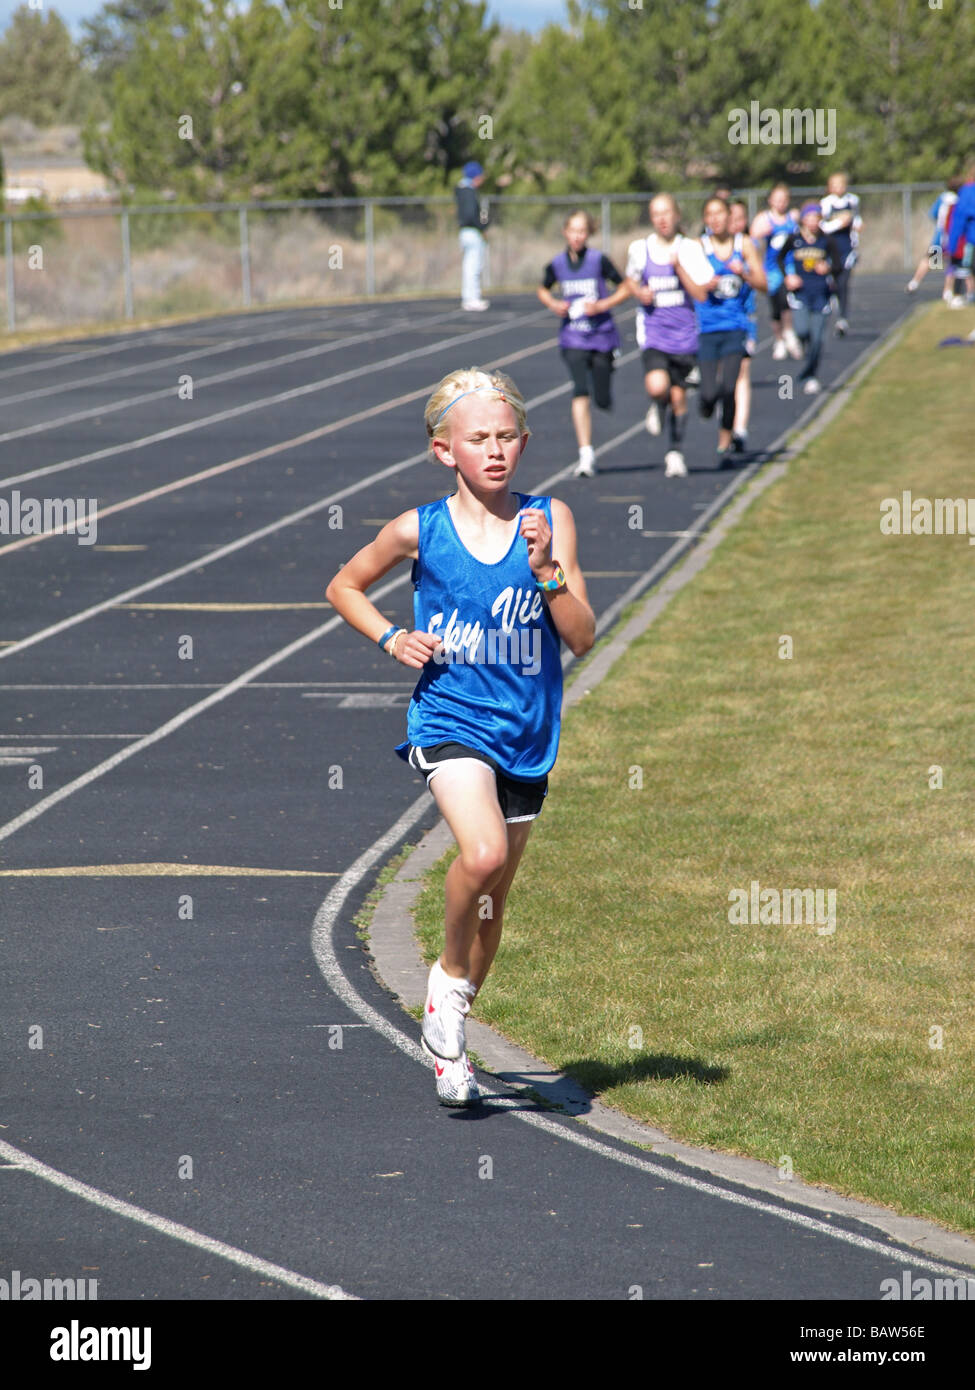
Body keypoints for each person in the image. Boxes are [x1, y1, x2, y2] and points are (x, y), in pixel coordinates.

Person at [325, 368, 595, 1106]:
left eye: (507, 436)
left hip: (527, 730)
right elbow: (344, 585)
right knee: (480, 853)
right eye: (479, 438)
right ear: (445, 450)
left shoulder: (550, 519)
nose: (496, 450)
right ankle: (444, 990)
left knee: (492, 899)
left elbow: (582, 638)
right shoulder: (421, 529)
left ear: (525, 441)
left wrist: (544, 573)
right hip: (450, 720)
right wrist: (390, 638)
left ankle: (452, 1046)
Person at [623, 193, 712, 477]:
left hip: (685, 337)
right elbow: (630, 281)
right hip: (654, 334)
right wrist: (640, 292)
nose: (662, 219)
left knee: (679, 397)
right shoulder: (640, 249)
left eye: (666, 213)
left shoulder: (691, 249)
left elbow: (701, 293)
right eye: (656, 214)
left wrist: (678, 269)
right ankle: (657, 404)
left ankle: (675, 452)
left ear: (677, 215)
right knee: (658, 387)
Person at [537, 210, 629, 478]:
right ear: (565, 232)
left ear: (588, 234)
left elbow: (624, 287)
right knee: (580, 390)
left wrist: (602, 304)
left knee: (601, 399)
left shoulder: (598, 261)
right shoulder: (557, 264)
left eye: (582, 231)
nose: (577, 236)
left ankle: (606, 382)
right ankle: (586, 454)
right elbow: (543, 288)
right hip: (573, 337)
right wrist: (554, 304)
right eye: (572, 231)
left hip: (601, 335)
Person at [694, 196, 767, 466]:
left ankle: (724, 445)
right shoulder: (698, 247)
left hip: (736, 328)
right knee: (709, 392)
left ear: (729, 216)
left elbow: (763, 283)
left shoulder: (743, 244)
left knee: (729, 387)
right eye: (709, 214)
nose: (714, 219)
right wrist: (704, 284)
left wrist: (744, 272)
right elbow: (688, 284)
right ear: (705, 220)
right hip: (706, 329)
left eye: (719, 214)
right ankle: (705, 404)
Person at [776, 202, 844, 395]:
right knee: (802, 330)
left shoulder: (827, 240)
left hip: (821, 295)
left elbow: (839, 266)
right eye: (809, 217)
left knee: (817, 339)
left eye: (817, 217)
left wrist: (829, 268)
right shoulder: (794, 239)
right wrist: (788, 276)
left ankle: (811, 375)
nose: (813, 221)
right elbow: (780, 258)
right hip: (800, 294)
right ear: (803, 219)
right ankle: (807, 366)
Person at [750, 182, 802, 361]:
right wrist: (761, 234)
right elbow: (752, 239)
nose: (781, 203)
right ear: (771, 200)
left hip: (790, 267)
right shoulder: (764, 218)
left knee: (786, 299)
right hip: (771, 268)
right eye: (777, 200)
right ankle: (779, 339)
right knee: (775, 305)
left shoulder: (793, 217)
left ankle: (789, 332)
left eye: (784, 200)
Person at [728, 199, 758, 453]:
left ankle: (740, 428)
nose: (735, 223)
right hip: (714, 324)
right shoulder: (705, 246)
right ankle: (726, 422)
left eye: (739, 219)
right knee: (722, 379)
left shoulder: (748, 246)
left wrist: (744, 273)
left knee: (742, 372)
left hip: (743, 319)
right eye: (731, 218)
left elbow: (763, 281)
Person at [819, 171, 862, 335]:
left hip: (847, 248)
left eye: (841, 184)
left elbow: (857, 219)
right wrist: (839, 223)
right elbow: (821, 226)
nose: (839, 188)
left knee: (844, 282)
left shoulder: (852, 200)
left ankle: (843, 318)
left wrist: (857, 226)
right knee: (833, 282)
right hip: (831, 248)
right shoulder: (826, 203)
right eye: (835, 185)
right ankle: (832, 303)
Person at [906, 178, 960, 300]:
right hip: (952, 235)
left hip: (940, 235)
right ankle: (947, 290)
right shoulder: (959, 199)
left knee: (930, 260)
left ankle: (914, 282)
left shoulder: (943, 198)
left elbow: (933, 214)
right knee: (952, 262)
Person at [455, 161, 489, 311]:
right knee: (473, 267)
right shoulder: (468, 191)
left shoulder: (463, 190)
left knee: (470, 266)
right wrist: (481, 225)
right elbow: (470, 214)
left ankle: (470, 297)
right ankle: (472, 298)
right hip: (471, 232)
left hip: (466, 232)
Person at [946, 162, 975, 306]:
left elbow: (957, 221)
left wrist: (951, 244)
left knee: (959, 267)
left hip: (964, 239)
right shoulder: (950, 200)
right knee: (934, 263)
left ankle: (951, 293)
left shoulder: (964, 194)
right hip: (946, 240)